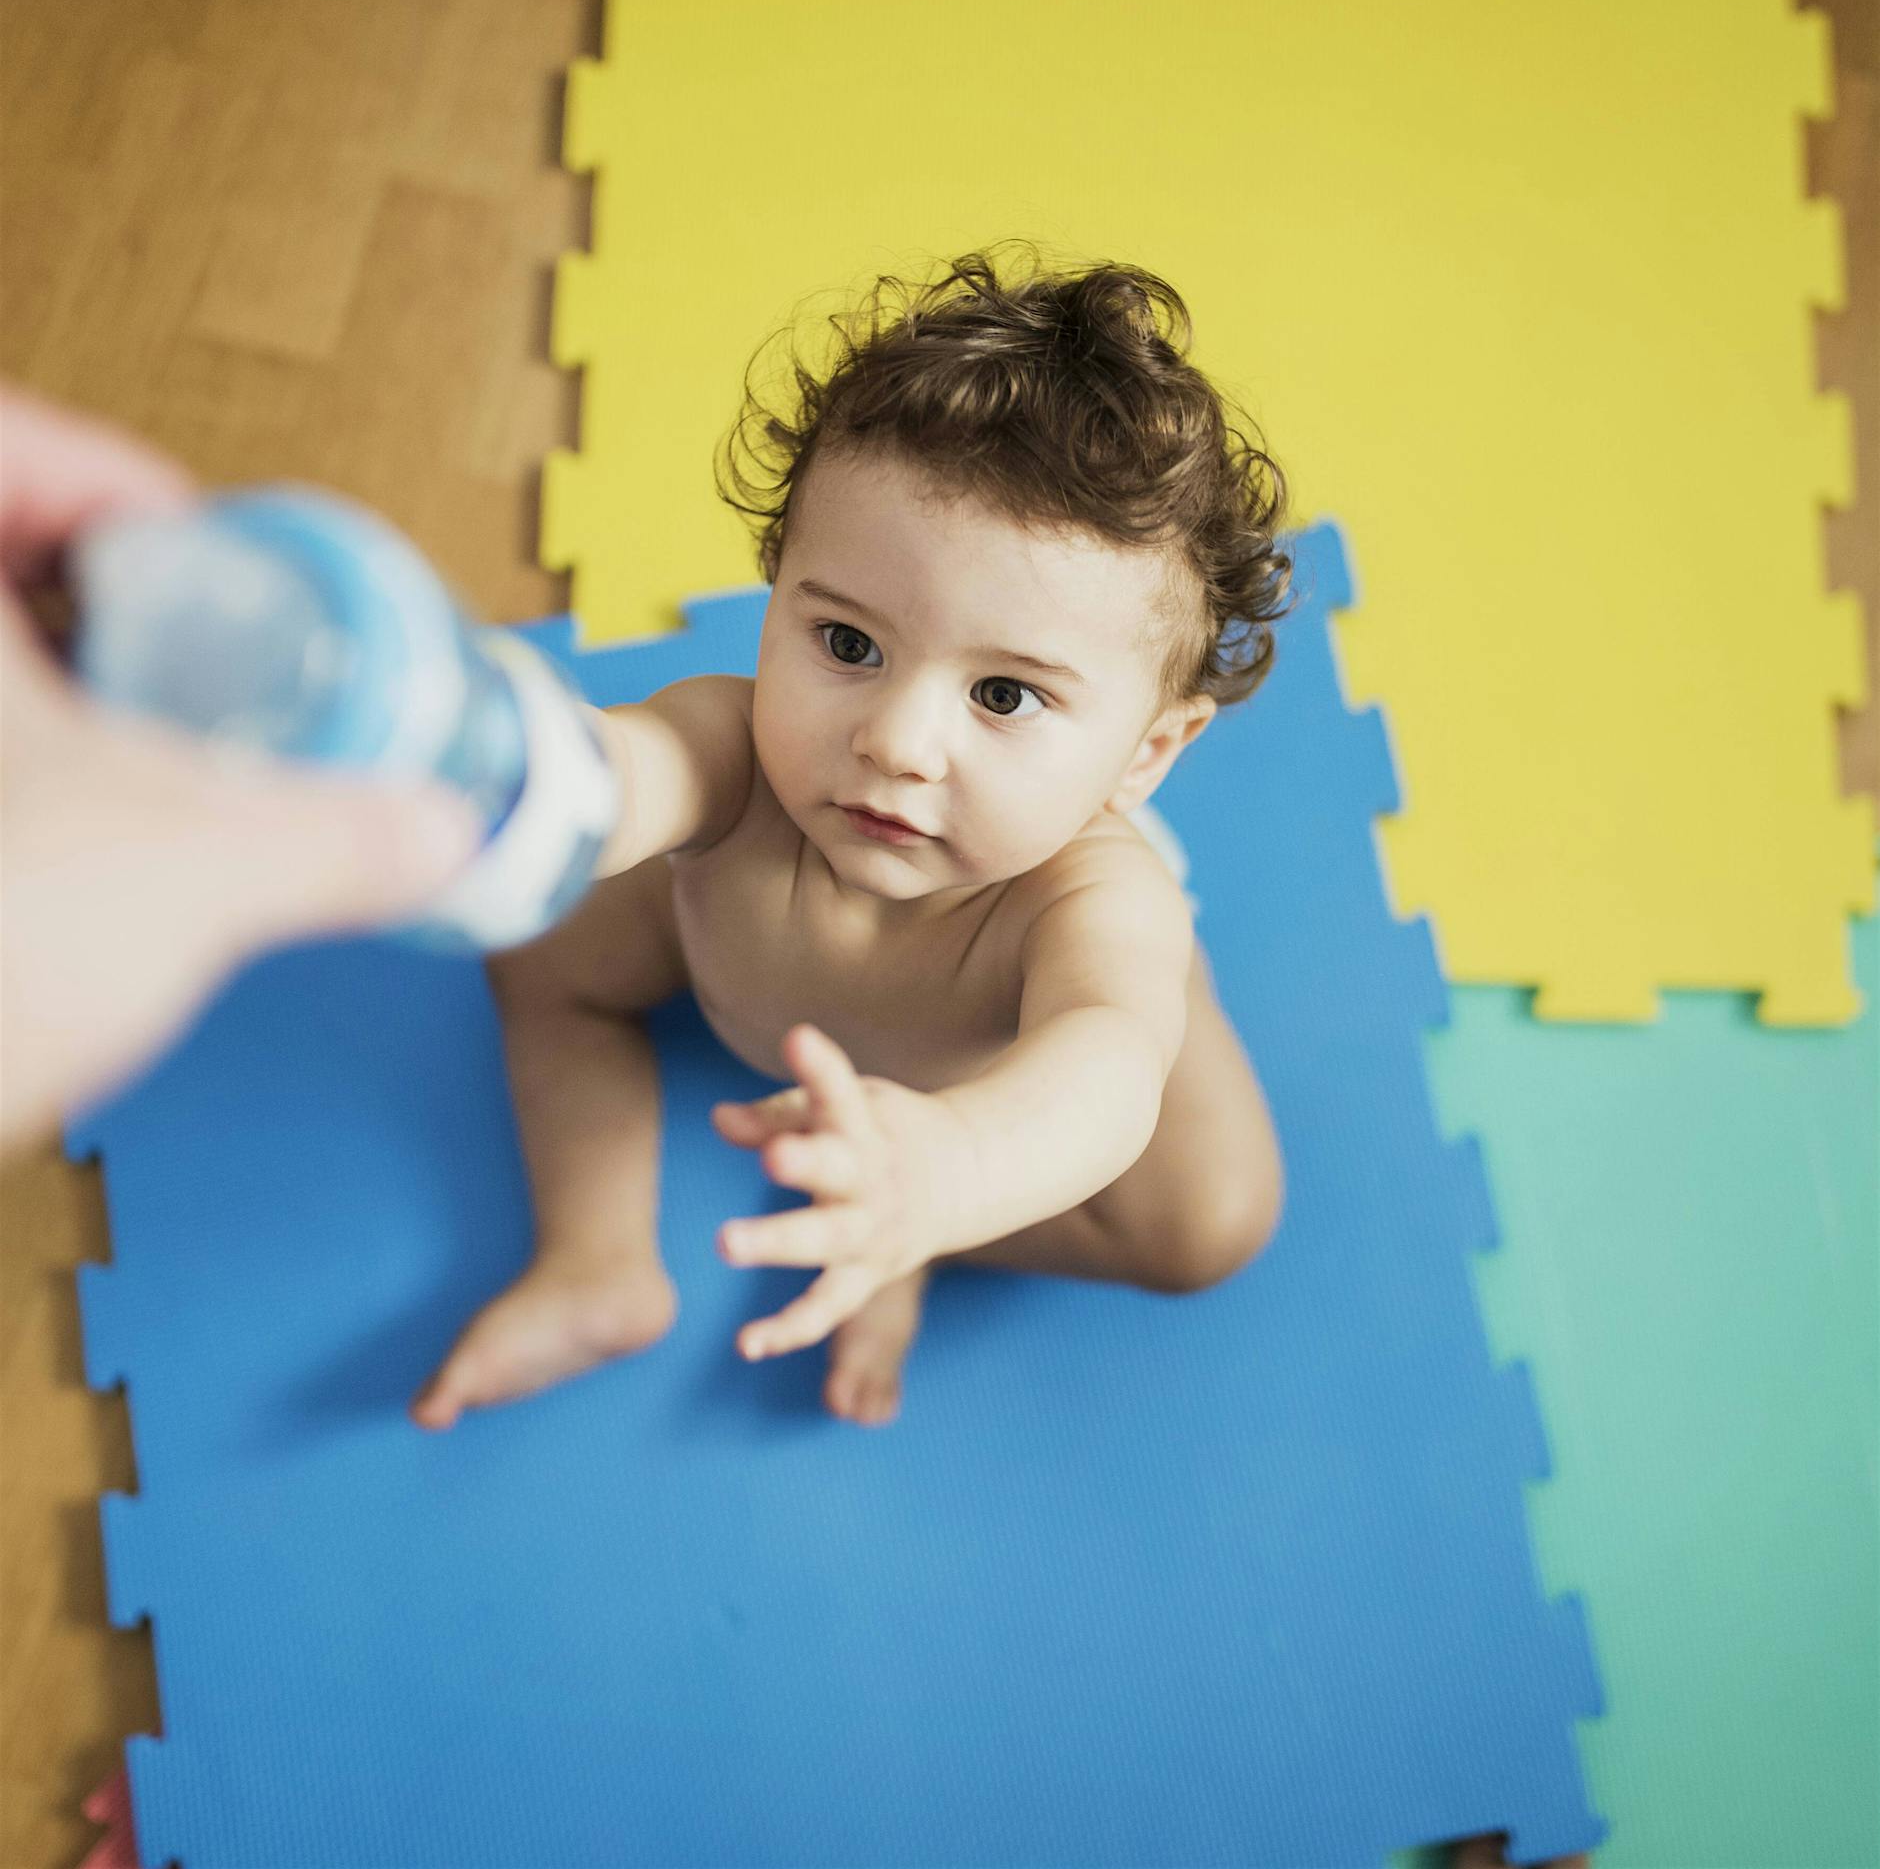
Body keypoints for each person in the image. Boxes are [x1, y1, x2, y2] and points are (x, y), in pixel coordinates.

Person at [411, 244, 1290, 1433]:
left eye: (1003, 696)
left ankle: (901, 1226)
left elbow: (1106, 1068)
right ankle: (596, 1261)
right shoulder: (742, 751)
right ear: (780, 592)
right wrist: (523, 779)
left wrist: (951, 1176)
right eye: (848, 644)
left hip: (980, 1114)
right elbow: (635, 770)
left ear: (1143, 752)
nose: (896, 741)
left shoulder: (1091, 903)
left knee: (1210, 1219)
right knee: (535, 937)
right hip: (812, 1043)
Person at [0, 384, 481, 1156]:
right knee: (569, 988)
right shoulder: (721, 726)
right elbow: (656, 776)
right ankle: (603, 1248)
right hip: (615, 952)